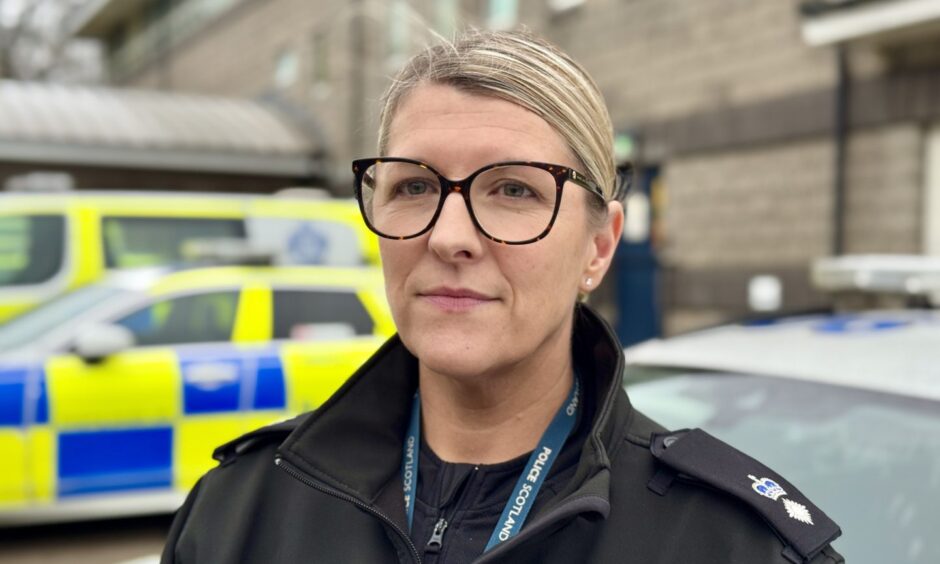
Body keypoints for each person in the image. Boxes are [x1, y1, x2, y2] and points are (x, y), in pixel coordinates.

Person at [162, 29, 843, 564]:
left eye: (514, 190)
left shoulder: (735, 545)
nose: (449, 237)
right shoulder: (240, 512)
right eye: (414, 186)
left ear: (599, 246)